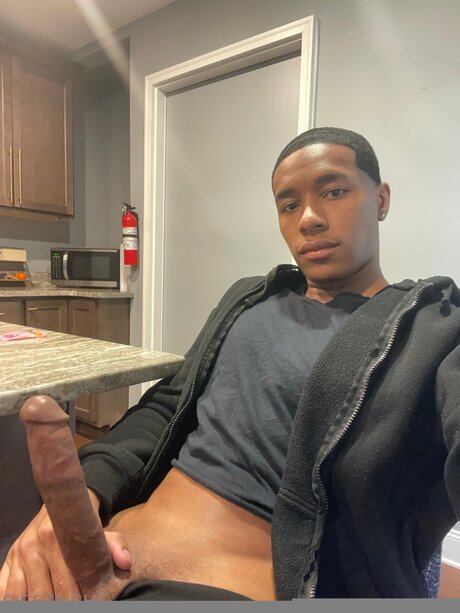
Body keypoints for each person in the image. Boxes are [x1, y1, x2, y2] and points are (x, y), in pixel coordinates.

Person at [1, 127, 459, 600]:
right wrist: (81, 498)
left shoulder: (431, 332)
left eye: (334, 191)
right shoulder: (250, 299)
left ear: (381, 199)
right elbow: (167, 405)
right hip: (108, 544)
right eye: (289, 205)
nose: (308, 219)